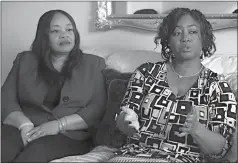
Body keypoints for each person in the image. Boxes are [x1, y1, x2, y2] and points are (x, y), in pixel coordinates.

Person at [114, 8, 237, 163]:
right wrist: (126, 122)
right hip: (133, 155)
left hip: (185, 158)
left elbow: (220, 149)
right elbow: (125, 119)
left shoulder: (217, 86)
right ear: (168, 40)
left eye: (192, 32)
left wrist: (196, 129)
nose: (185, 38)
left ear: (204, 39)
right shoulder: (146, 73)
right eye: (177, 33)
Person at [1, 9, 107, 162]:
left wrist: (59, 125)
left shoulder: (94, 64)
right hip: (24, 126)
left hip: (69, 135)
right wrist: (24, 125)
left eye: (69, 29)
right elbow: (6, 99)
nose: (64, 35)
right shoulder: (24, 60)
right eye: (55, 31)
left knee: (33, 155)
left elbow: (97, 108)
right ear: (44, 37)